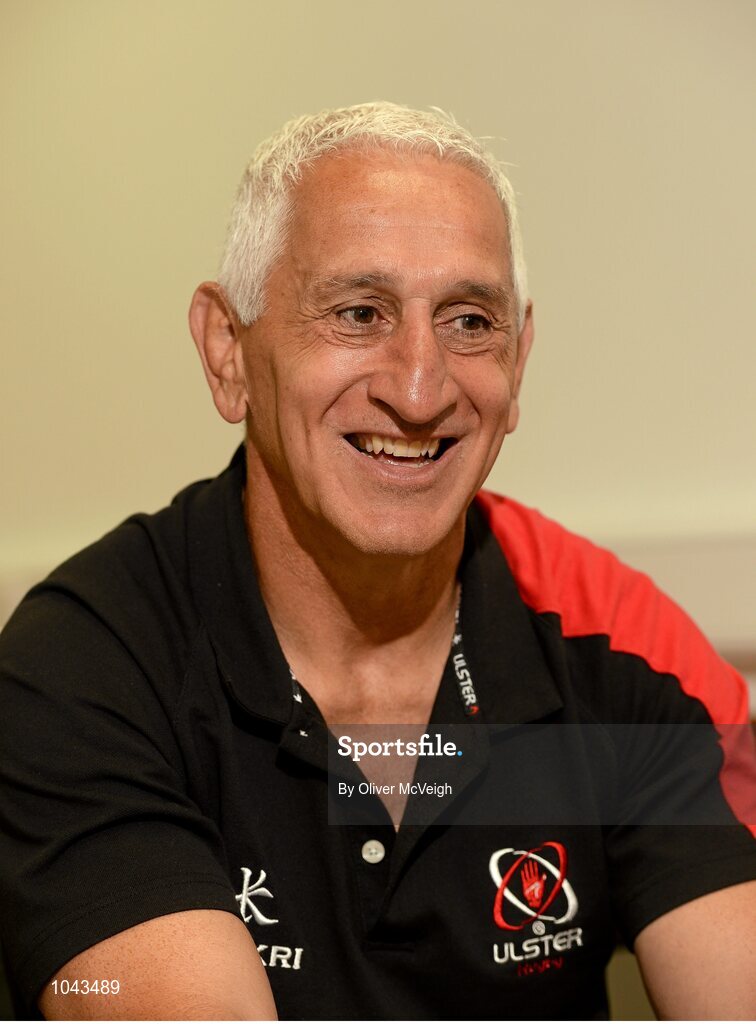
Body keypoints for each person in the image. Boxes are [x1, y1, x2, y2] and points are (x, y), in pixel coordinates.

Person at [1, 102, 754, 1021]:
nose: (419, 386)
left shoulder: (612, 638)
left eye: (470, 322)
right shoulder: (82, 667)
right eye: (359, 314)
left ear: (518, 365)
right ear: (228, 351)